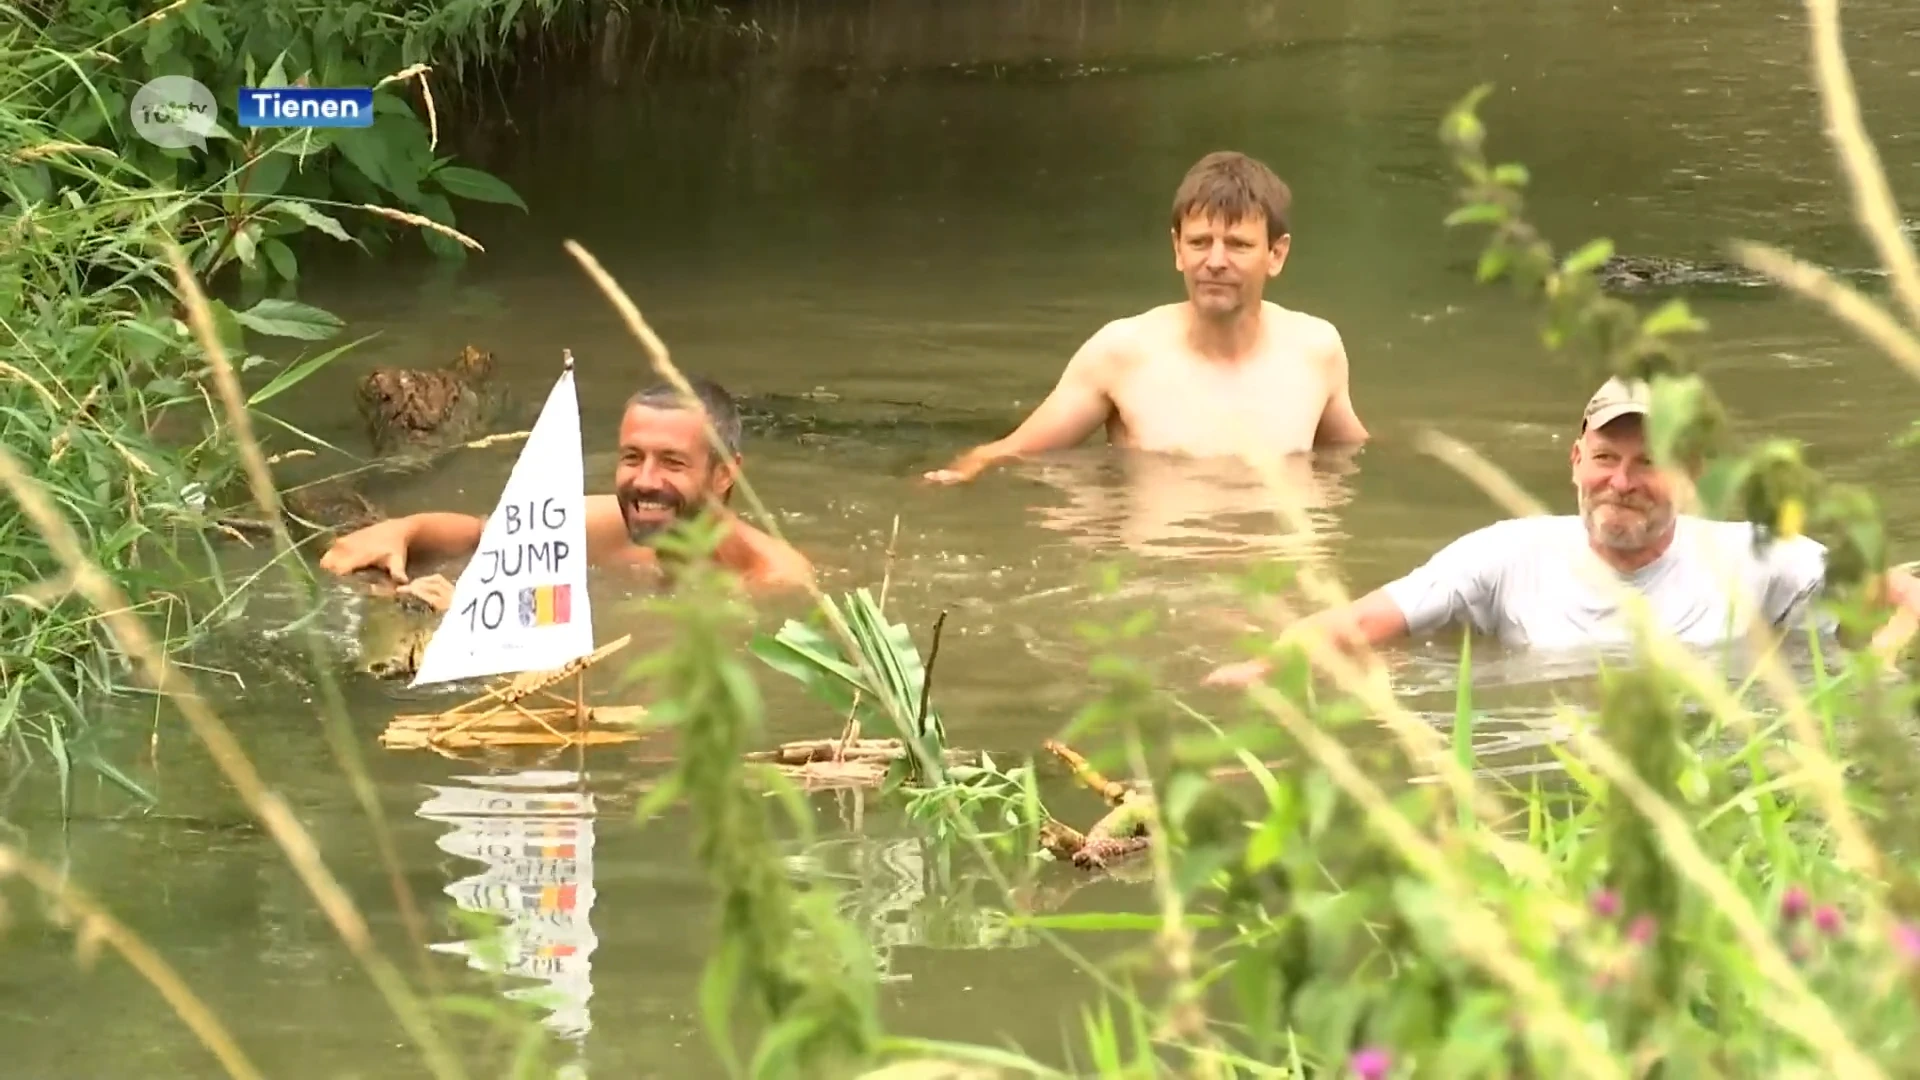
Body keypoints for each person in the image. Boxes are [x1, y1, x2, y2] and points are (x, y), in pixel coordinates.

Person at [1205, 376, 1920, 686]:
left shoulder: (1758, 557)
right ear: (1576, 459)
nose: (1622, 481)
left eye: (1649, 464)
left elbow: (1902, 595)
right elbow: (1366, 621)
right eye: (1606, 458)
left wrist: (1875, 670)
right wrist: (1267, 667)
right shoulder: (1506, 555)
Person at [924, 150, 1369, 485]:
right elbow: (1015, 451)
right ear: (1177, 249)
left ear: (1276, 254)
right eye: (1199, 242)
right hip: (1163, 578)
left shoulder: (1316, 350)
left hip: (1280, 588)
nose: (1215, 261)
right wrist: (961, 473)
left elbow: (1352, 454)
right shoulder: (1123, 353)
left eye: (1236, 244)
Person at [319, 376, 815, 599]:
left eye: (672, 462)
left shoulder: (776, 586)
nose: (644, 481)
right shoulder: (602, 525)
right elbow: (479, 536)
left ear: (725, 472)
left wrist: (469, 625)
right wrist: (403, 530)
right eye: (631, 457)